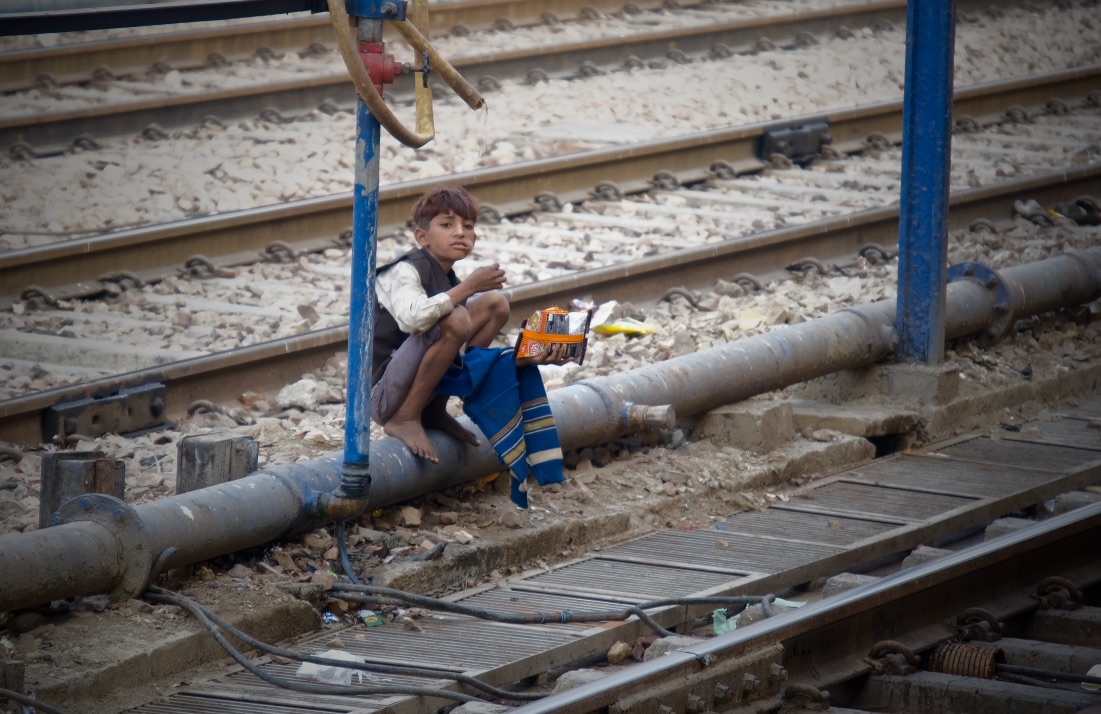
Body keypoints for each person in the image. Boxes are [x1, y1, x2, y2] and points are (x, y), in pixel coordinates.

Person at [370, 186, 566, 465]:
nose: (460, 232)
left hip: (411, 380)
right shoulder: (404, 269)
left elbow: (458, 346)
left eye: (469, 225)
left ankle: (435, 409)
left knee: (495, 304)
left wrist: (527, 357)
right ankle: (405, 418)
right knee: (457, 316)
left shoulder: (448, 277)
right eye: (447, 224)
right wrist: (469, 287)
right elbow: (412, 318)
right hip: (384, 395)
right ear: (422, 237)